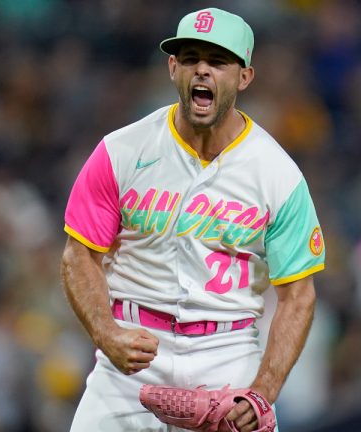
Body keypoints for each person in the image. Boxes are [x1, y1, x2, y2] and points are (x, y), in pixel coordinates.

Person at [61, 7, 326, 431]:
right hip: (131, 356)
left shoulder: (278, 174)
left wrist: (264, 390)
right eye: (190, 59)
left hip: (227, 356)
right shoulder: (120, 151)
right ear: (172, 68)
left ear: (244, 77)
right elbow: (79, 256)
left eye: (218, 61)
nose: (202, 71)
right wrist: (105, 333)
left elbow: (299, 295)